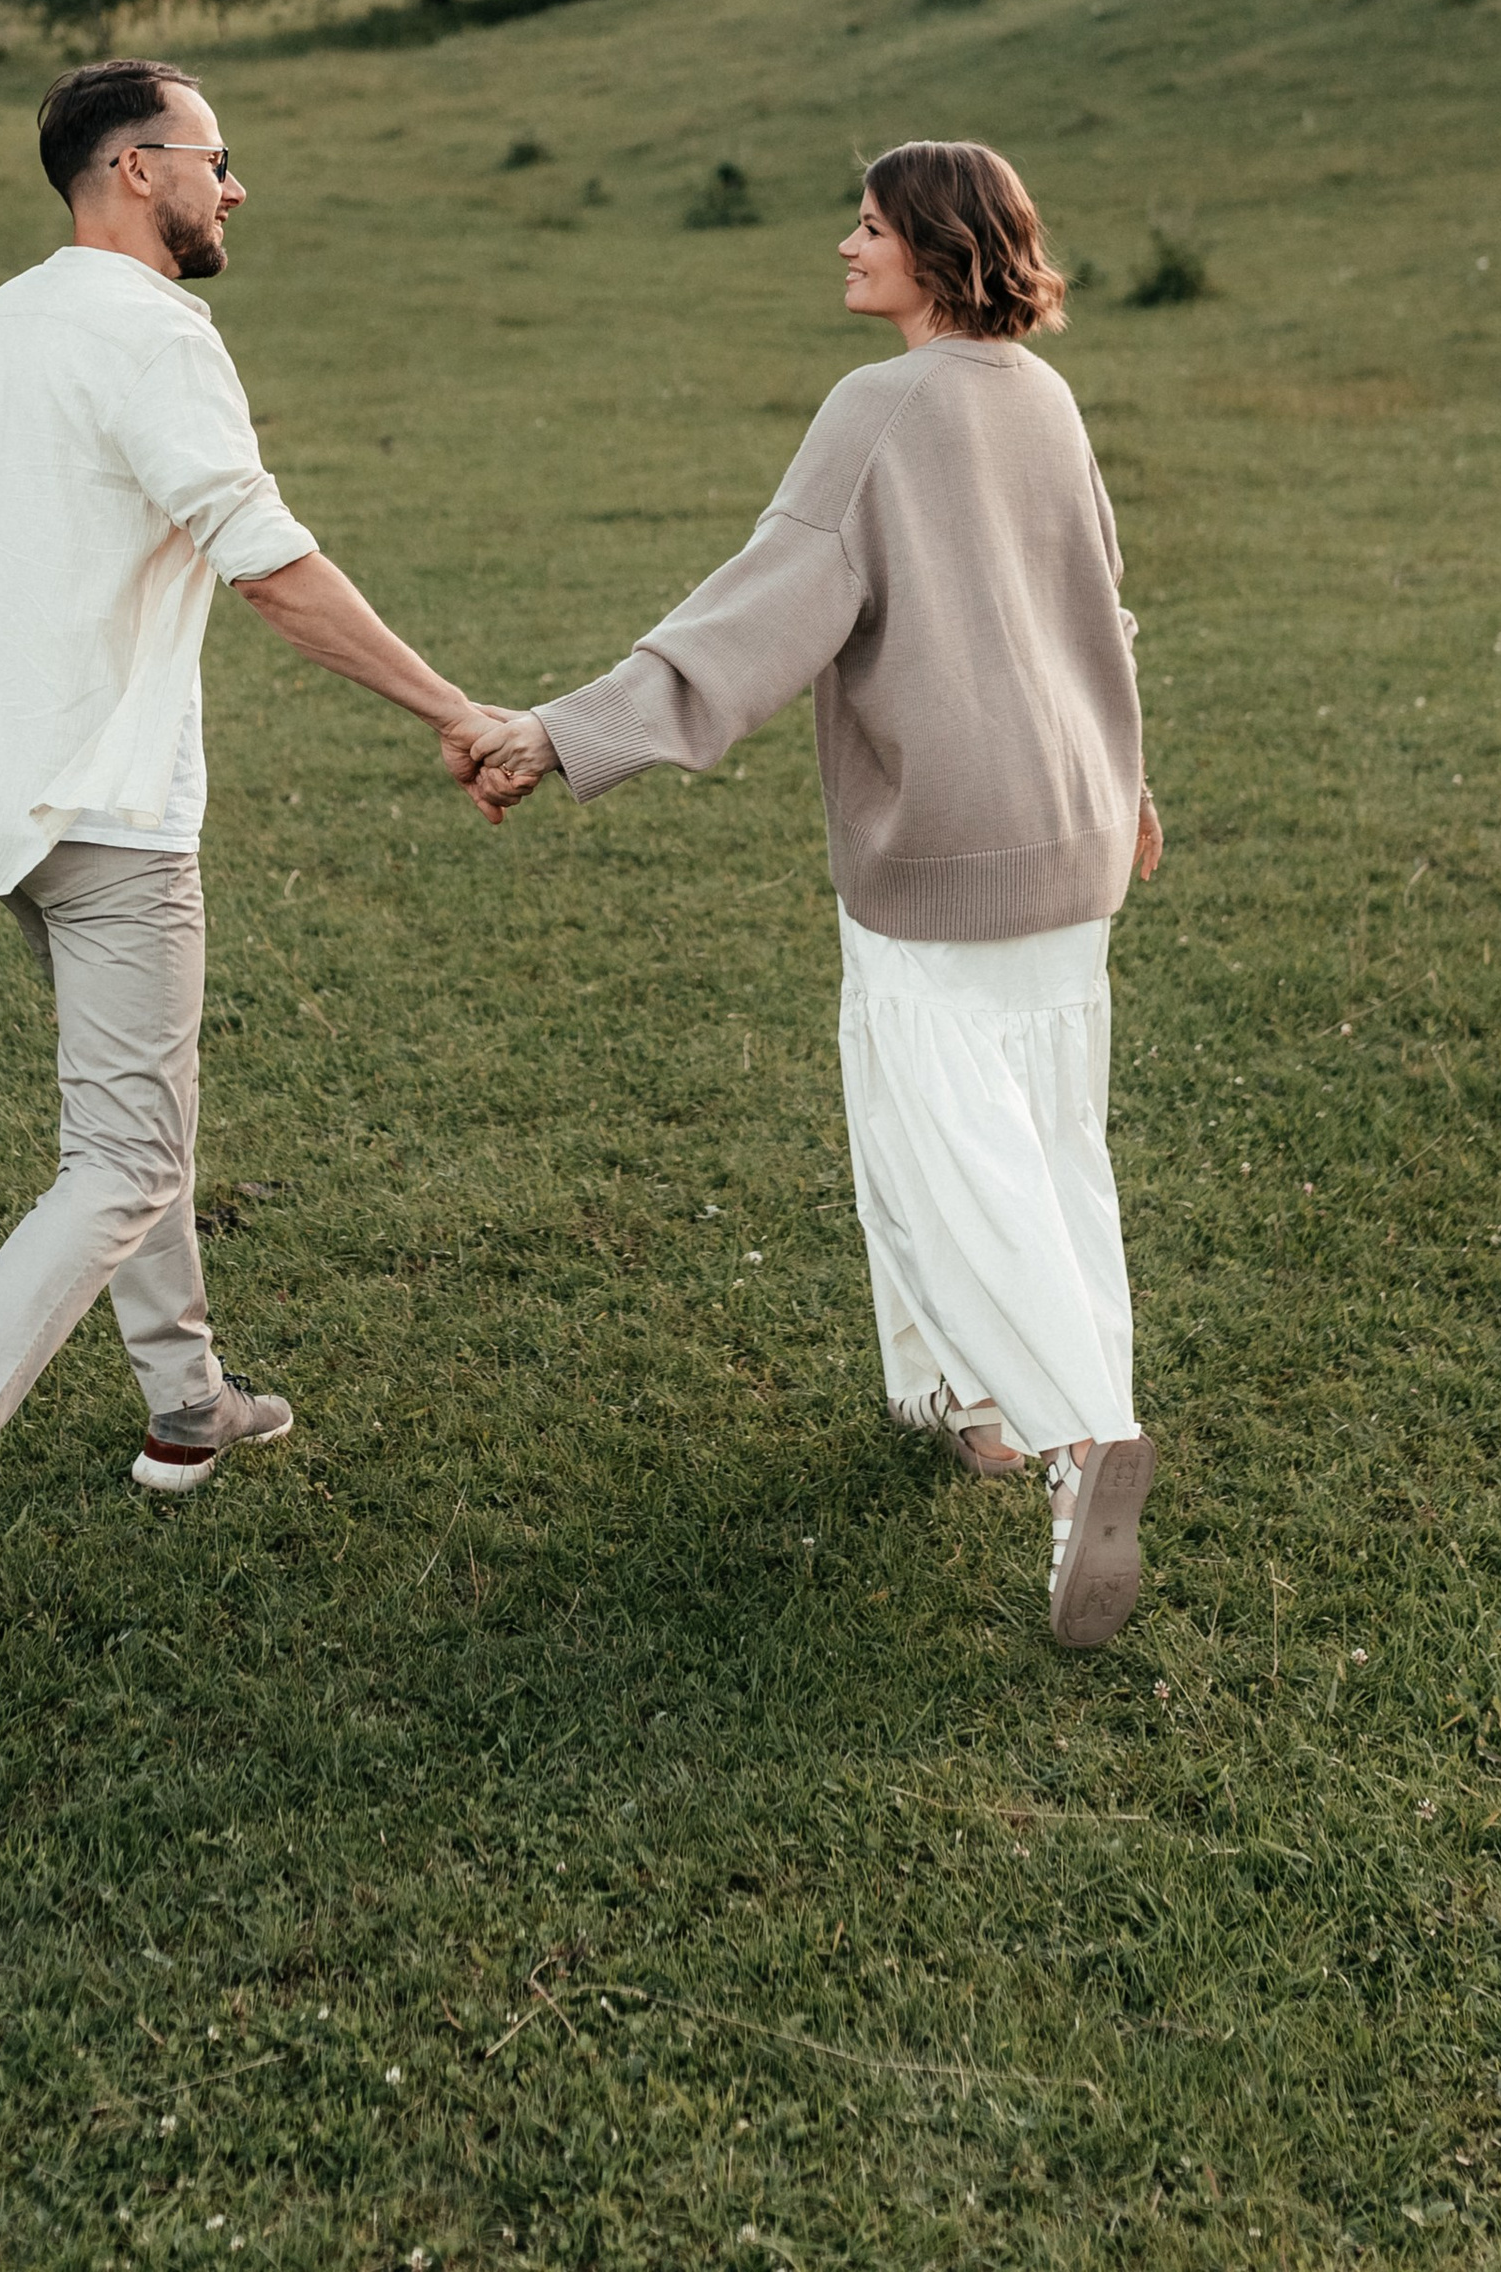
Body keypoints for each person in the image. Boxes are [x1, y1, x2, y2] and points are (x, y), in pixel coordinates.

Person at [0, 57, 501, 1664]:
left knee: (137, 1108)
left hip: (0, 812)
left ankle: (188, 1404)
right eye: (216, 156)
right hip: (113, 814)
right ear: (136, 168)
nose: (233, 186)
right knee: (123, 1155)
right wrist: (453, 711)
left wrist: (30, 644)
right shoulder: (155, 334)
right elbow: (270, 566)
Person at [471, 139, 1164, 1650]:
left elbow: (762, 611)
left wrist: (566, 733)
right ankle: (962, 1395)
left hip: (941, 842)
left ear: (938, 248)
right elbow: (1096, 606)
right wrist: (1132, 790)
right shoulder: (1045, 397)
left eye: (869, 227)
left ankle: (1077, 1429)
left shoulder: (881, 407)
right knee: (1050, 1141)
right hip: (1073, 830)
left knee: (953, 1149)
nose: (846, 248)